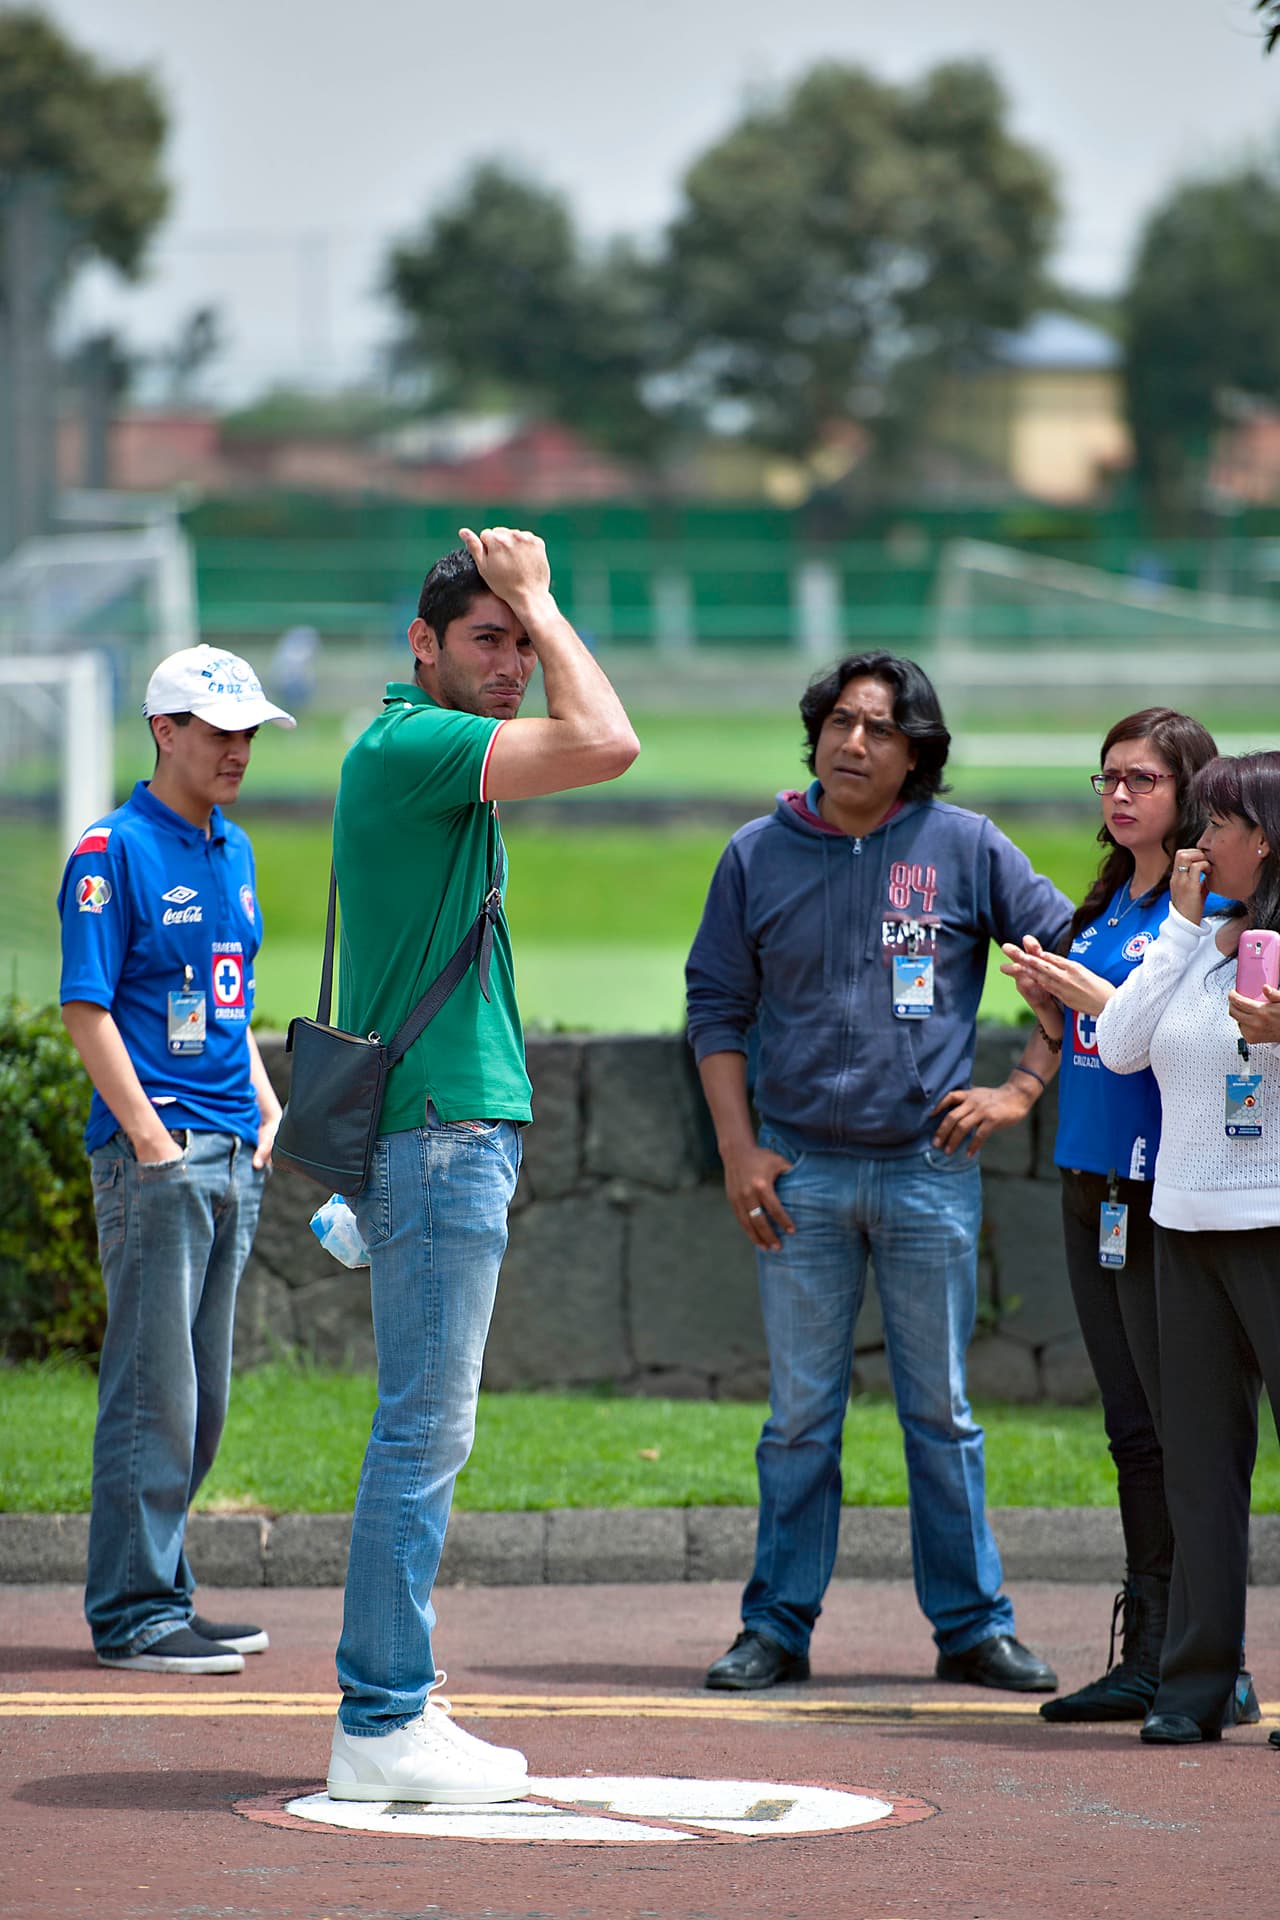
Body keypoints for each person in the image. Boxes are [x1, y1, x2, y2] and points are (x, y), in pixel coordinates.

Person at [686, 650, 1071, 1695]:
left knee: (939, 1412)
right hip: (796, 1175)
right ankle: (774, 1627)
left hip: (927, 1172)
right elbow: (714, 1010)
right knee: (799, 1418)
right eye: (839, 723)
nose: (852, 744)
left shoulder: (963, 848)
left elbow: (1073, 964)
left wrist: (1021, 1090)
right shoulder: (754, 854)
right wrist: (735, 1149)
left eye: (880, 731)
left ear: (916, 757)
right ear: (813, 732)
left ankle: (970, 1628)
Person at [325, 525, 638, 1804]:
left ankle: (397, 1703)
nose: (512, 661)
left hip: (443, 1126)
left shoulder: (422, 754)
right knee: (421, 1433)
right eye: (488, 639)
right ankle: (380, 1717)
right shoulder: (414, 746)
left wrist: (524, 607)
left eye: (520, 641)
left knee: (424, 1428)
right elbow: (611, 742)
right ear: (424, 647)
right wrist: (549, 600)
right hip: (440, 1130)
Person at [965, 711, 1261, 1723]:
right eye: (1105, 778)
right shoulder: (1112, 897)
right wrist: (1052, 1018)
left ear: (1190, 794)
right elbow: (1099, 1032)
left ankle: (1196, 1655)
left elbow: (1152, 1031)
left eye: (1140, 778)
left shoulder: (1214, 905)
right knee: (1135, 1430)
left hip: (1166, 1184)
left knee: (1184, 1433)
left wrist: (1090, 996)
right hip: (1090, 1173)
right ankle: (1159, 1645)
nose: (1117, 795)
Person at [57, 644, 294, 1674]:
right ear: (165, 730)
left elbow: (229, 1003)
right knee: (154, 1393)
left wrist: (269, 1105)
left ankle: (165, 1593)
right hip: (159, 1160)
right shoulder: (109, 850)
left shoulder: (232, 850)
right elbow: (86, 1007)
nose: (236, 749)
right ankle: (133, 1612)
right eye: (217, 729)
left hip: (232, 1149)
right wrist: (150, 1138)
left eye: (247, 731)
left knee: (200, 1402)